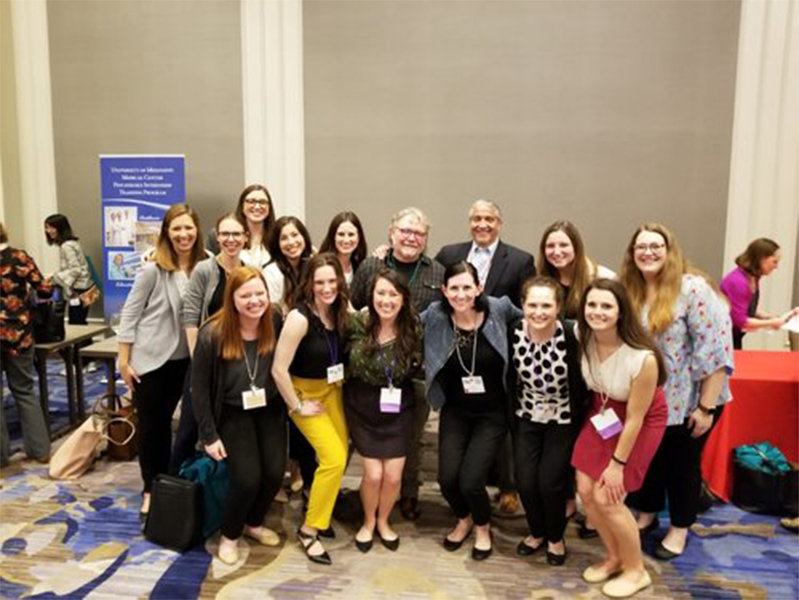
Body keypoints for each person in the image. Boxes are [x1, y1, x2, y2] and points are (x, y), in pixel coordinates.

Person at [620, 223, 734, 561]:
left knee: (681, 467)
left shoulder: (693, 289)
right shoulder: (631, 290)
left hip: (691, 401)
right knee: (650, 462)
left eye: (656, 246)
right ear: (632, 254)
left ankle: (680, 529)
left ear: (670, 252)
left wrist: (706, 408)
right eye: (641, 247)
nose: (648, 252)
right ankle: (647, 513)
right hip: (650, 401)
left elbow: (716, 352)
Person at [435, 199, 536, 514]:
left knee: (502, 431)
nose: (482, 224)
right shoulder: (450, 254)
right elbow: (432, 290)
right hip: (458, 361)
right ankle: (471, 502)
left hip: (497, 363)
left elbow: (525, 312)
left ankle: (508, 486)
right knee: (455, 466)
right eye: (477, 218)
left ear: (499, 223)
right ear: (469, 222)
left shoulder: (520, 260)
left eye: (489, 219)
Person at [571, 279, 668, 598]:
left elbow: (636, 419)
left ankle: (636, 570)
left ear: (621, 311)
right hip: (604, 411)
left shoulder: (642, 358)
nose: (597, 312)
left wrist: (617, 465)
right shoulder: (581, 335)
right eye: (592, 305)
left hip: (638, 419)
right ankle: (614, 557)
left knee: (608, 497)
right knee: (585, 490)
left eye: (606, 306)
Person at [422, 261, 521, 560]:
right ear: (444, 290)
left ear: (479, 288)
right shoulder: (437, 316)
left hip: (492, 415)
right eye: (454, 288)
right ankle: (463, 517)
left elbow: (535, 317)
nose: (461, 294)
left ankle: (481, 526)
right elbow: (399, 318)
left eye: (467, 287)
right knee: (448, 480)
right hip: (455, 411)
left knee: (471, 480)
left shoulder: (498, 309)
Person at [350, 207, 444, 521]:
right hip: (372, 373)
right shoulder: (371, 265)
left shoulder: (437, 272)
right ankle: (360, 493)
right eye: (405, 230)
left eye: (418, 233)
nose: (411, 237)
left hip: (415, 374)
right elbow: (354, 310)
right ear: (392, 233)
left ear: (426, 239)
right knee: (366, 442)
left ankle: (408, 493)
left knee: (411, 438)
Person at [191, 266, 285, 564]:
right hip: (231, 410)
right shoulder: (213, 333)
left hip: (267, 407)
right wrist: (209, 435)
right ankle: (230, 535)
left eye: (260, 294)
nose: (254, 301)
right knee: (247, 478)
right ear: (232, 298)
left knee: (273, 473)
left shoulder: (275, 319)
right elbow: (199, 389)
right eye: (246, 295)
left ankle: (252, 523)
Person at [117, 204, 206, 519]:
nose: (183, 234)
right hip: (154, 360)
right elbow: (130, 314)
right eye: (176, 228)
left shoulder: (206, 266)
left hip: (192, 360)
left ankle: (176, 481)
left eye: (188, 228)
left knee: (188, 429)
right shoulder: (154, 269)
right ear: (167, 233)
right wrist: (123, 359)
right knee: (154, 429)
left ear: (197, 230)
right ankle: (151, 488)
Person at [272, 253, 350, 565]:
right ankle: (309, 530)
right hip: (305, 394)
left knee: (338, 457)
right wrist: (297, 406)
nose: (327, 287)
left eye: (332, 281)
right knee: (334, 459)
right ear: (309, 284)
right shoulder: (299, 317)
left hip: (333, 392)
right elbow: (279, 369)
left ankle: (320, 510)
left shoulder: (340, 311)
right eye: (320, 282)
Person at [510, 276, 589, 566]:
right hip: (526, 417)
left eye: (546, 305)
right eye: (532, 304)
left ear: (559, 307)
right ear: (523, 305)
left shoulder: (572, 335)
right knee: (526, 481)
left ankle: (555, 537)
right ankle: (537, 532)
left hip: (563, 419)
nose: (539, 312)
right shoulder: (514, 332)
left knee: (550, 483)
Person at [345, 269, 422, 552]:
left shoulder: (413, 327)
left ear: (403, 299)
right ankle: (367, 522)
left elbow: (420, 361)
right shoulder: (356, 323)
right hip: (362, 405)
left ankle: (384, 521)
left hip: (398, 407)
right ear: (371, 295)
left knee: (392, 476)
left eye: (393, 294)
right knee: (374, 475)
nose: (386, 300)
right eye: (381, 293)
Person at [169, 213, 248, 474]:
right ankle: (171, 494)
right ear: (217, 236)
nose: (231, 239)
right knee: (189, 431)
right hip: (204, 364)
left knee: (222, 432)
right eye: (225, 234)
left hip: (234, 365)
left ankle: (210, 491)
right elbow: (190, 318)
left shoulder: (247, 271)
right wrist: (198, 362)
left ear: (245, 238)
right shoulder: (205, 269)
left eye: (236, 234)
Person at [0, 222, 53, 467]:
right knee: (24, 390)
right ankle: (40, 450)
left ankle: (1, 457)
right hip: (19, 336)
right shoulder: (20, 257)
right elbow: (44, 289)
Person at [720, 238, 798, 349]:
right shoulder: (738, 282)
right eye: (774, 262)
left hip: (733, 337)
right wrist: (772, 322)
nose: (776, 266)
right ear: (761, 259)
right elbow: (740, 321)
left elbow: (742, 307)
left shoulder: (753, 278)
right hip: (723, 339)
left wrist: (769, 317)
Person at [539, 220, 616, 319]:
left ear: (576, 247)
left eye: (563, 245)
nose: (556, 252)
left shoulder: (604, 278)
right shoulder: (541, 280)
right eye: (550, 246)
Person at [206, 184, 275, 269]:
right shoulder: (218, 235)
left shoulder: (277, 238)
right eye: (251, 201)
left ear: (269, 207)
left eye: (262, 202)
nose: (257, 206)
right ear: (242, 205)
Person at [44, 213, 94, 325]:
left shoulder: (66, 246)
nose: (48, 231)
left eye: (52, 227)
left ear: (60, 228)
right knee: (80, 322)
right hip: (85, 287)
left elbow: (75, 269)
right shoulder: (73, 243)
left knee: (77, 324)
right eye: (46, 227)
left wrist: (54, 277)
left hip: (78, 290)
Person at [264, 216, 314, 312]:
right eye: (284, 238)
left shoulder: (312, 265)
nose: (291, 242)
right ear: (277, 244)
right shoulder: (272, 272)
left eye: (295, 235)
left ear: (304, 237)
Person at [319, 211, 368, 286]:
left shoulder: (360, 268)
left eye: (351, 234)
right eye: (341, 234)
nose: (346, 240)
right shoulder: (322, 266)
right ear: (333, 237)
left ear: (359, 238)